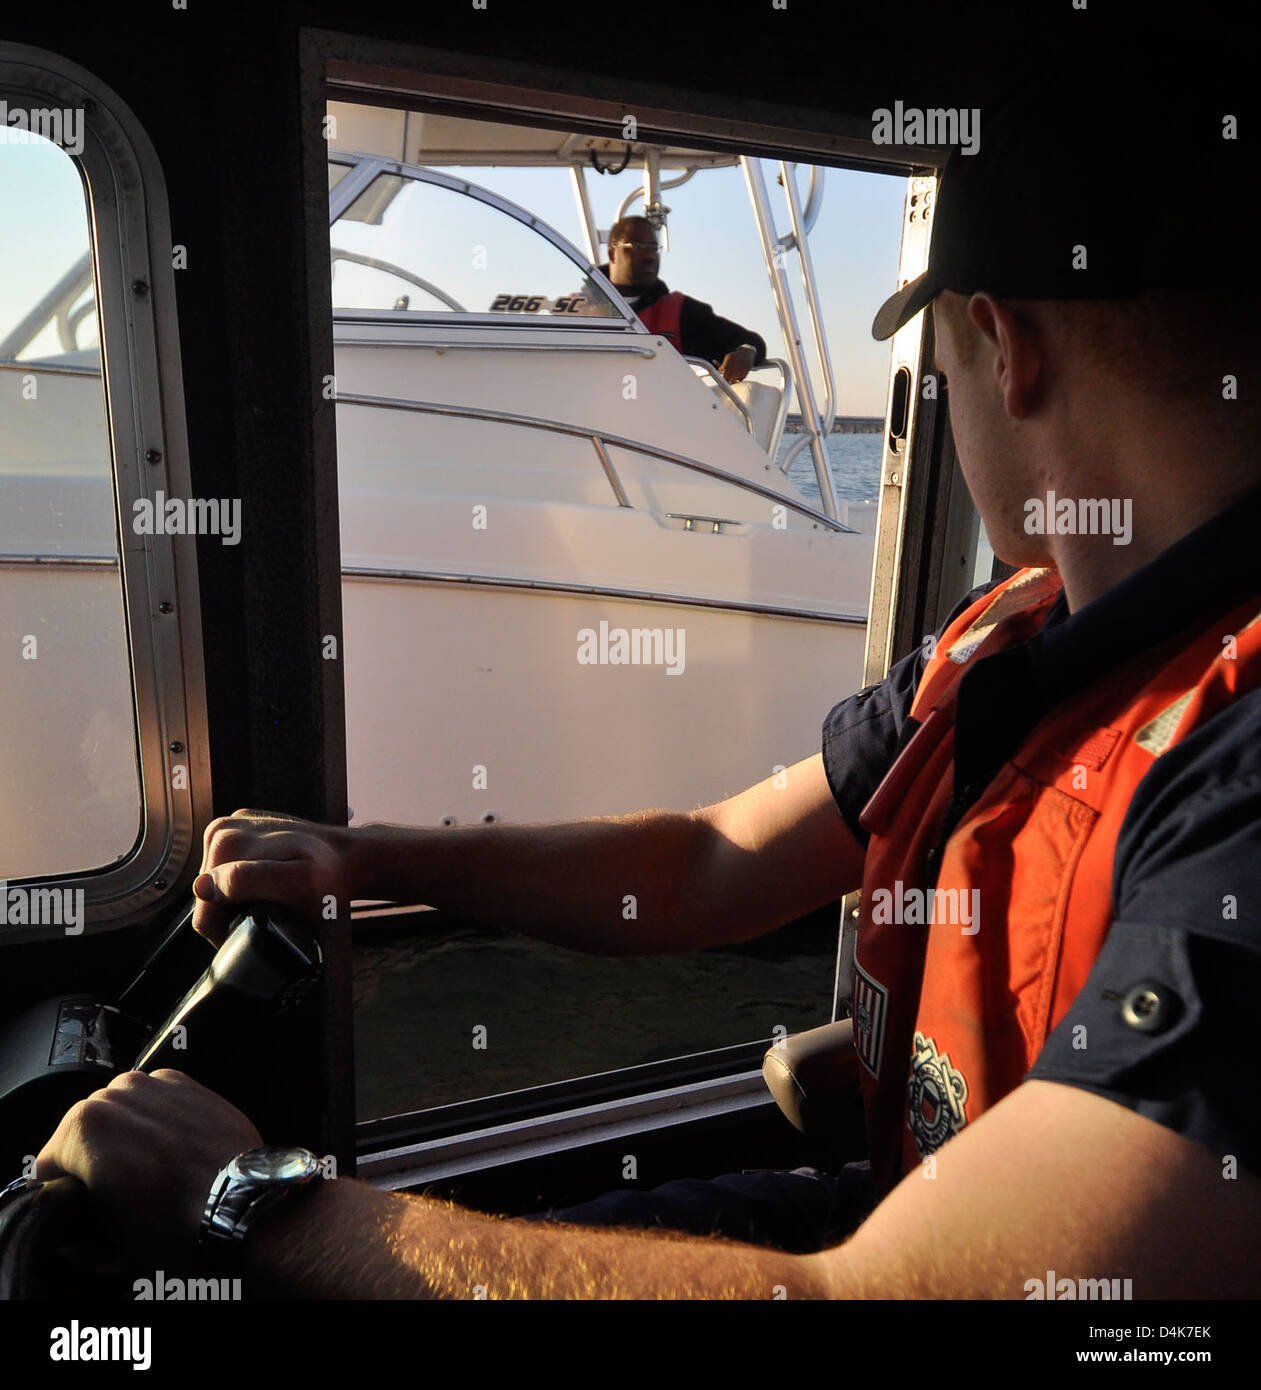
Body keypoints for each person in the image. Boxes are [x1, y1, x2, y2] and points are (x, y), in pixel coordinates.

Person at [36, 70, 1261, 1298]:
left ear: (1005, 348)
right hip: (891, 1203)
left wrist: (250, 1204)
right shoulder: (1010, 641)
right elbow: (709, 858)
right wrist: (364, 861)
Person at [596, 214, 767, 382]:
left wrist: (747, 351)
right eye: (639, 247)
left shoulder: (681, 313)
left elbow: (750, 342)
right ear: (612, 253)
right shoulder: (577, 310)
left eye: (654, 248)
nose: (649, 256)